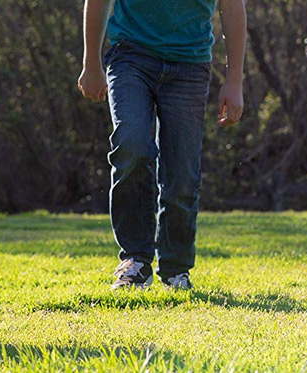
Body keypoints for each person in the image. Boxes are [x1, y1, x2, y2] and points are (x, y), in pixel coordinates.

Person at [78, 0, 246, 289]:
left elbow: (232, 8)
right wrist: (91, 62)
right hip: (130, 55)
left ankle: (175, 269)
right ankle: (135, 260)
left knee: (181, 172)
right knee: (132, 145)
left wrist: (234, 82)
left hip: (190, 63)